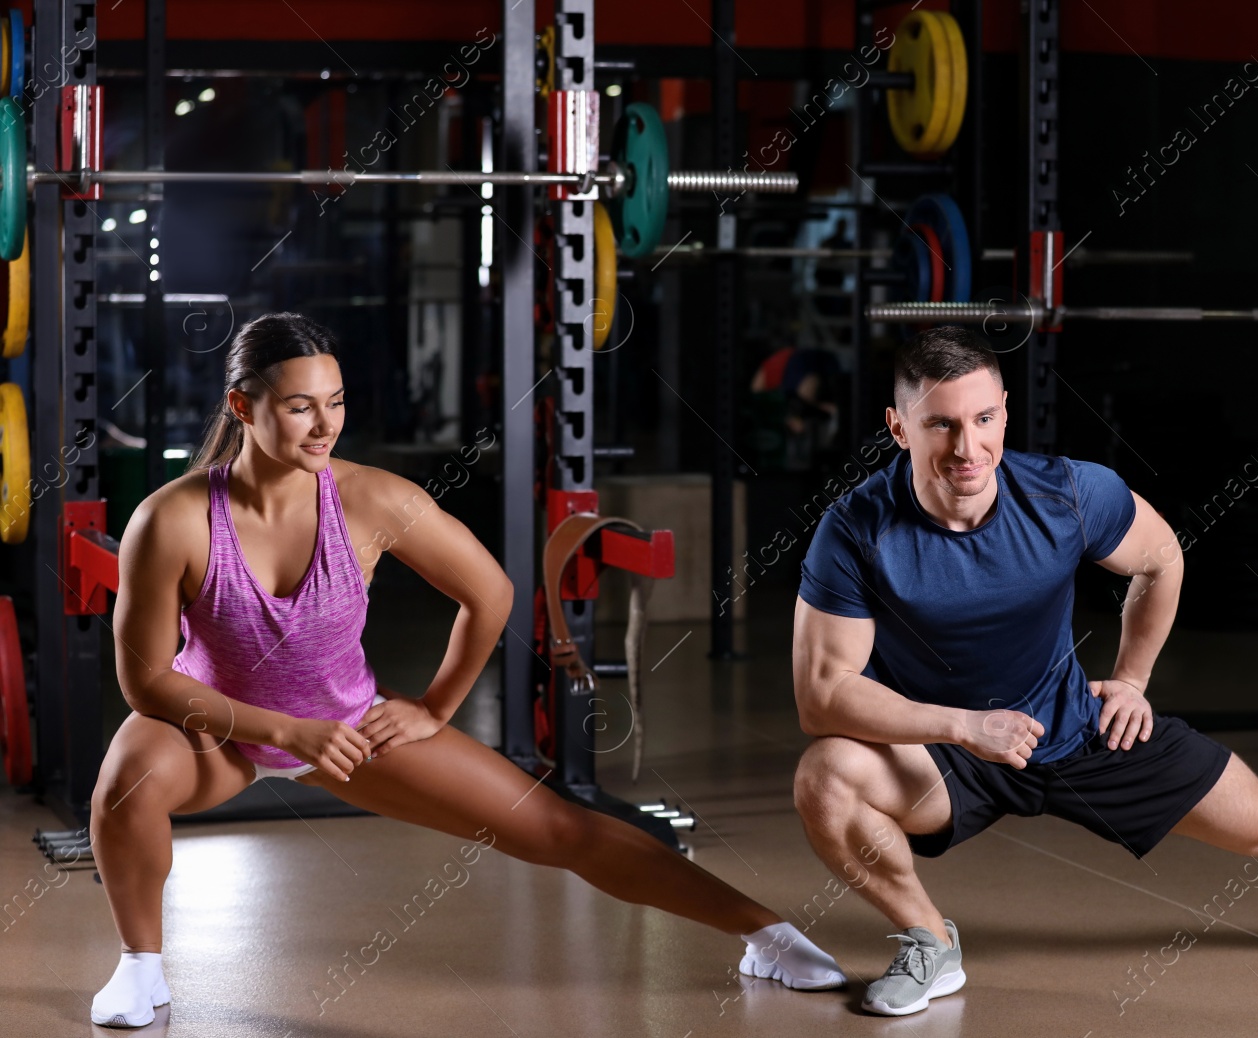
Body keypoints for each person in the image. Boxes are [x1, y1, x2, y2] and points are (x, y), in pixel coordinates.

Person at [90, 313, 844, 1028]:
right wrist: (287, 730)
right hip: (219, 733)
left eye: (337, 403)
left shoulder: (371, 498)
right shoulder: (174, 518)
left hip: (352, 727)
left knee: (561, 828)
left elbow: (490, 593)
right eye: (299, 407)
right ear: (242, 406)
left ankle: (768, 936)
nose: (325, 425)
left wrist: (435, 706)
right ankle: (141, 967)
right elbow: (149, 682)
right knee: (126, 780)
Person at [789, 325, 1258, 1017]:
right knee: (826, 775)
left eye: (985, 418)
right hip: (946, 753)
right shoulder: (855, 529)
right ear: (898, 427)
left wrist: (1131, 680)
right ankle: (928, 940)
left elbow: (1160, 560)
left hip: (1072, 725)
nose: (969, 447)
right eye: (942, 425)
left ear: (1005, 412)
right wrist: (962, 726)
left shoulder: (1064, 492)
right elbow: (824, 697)